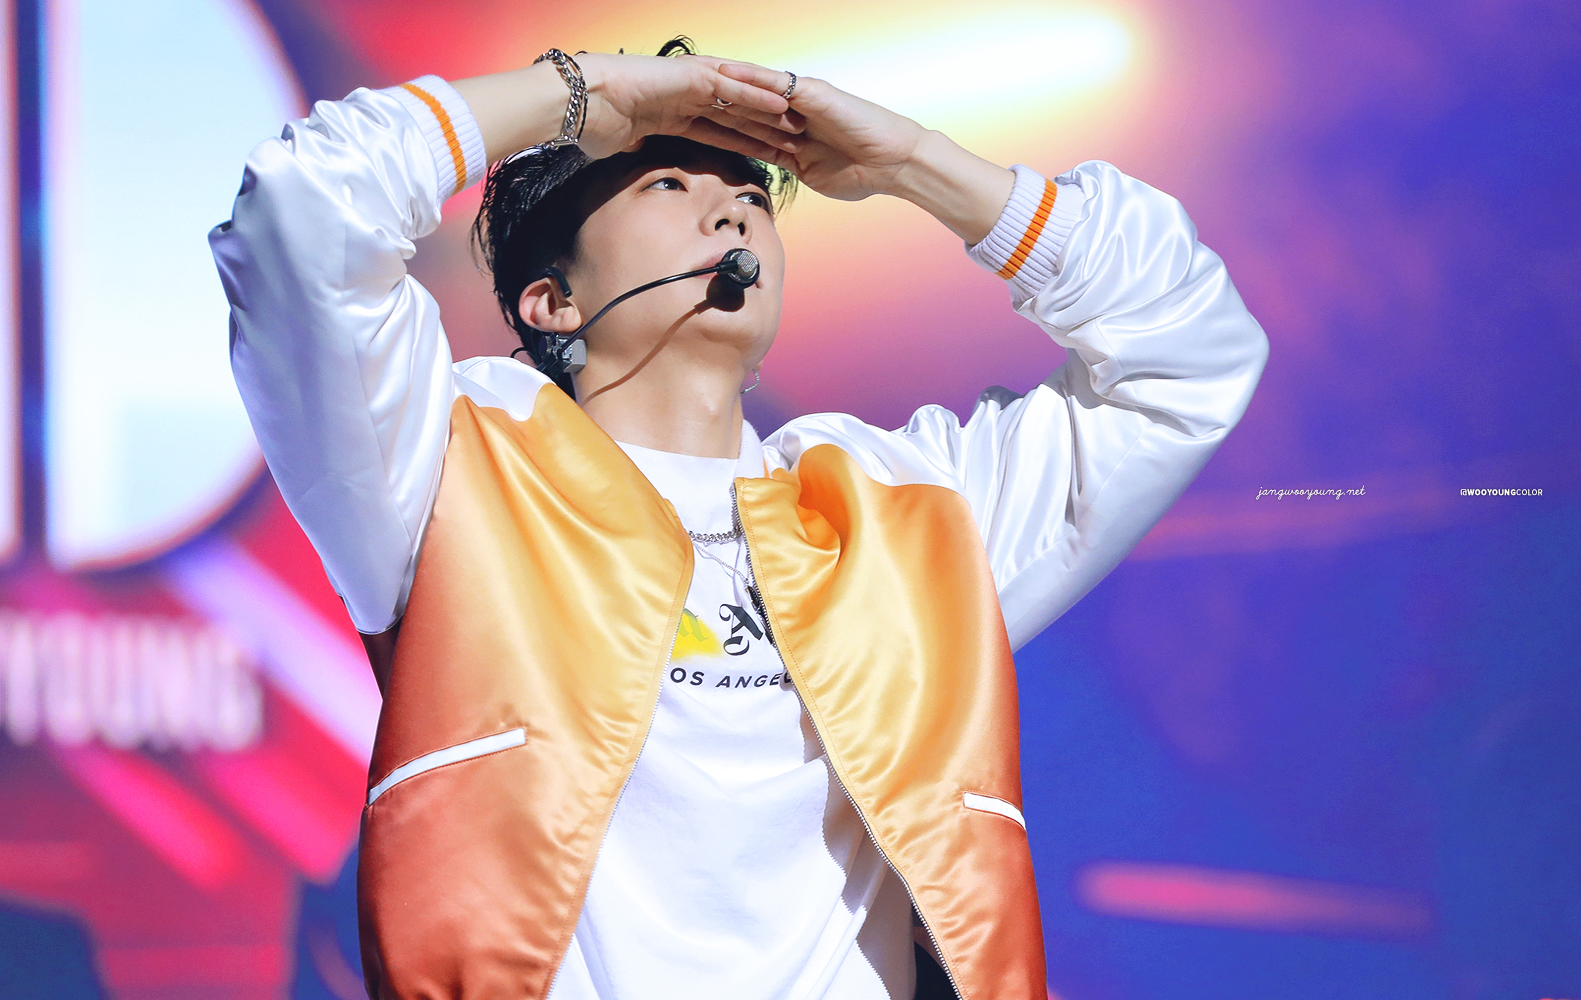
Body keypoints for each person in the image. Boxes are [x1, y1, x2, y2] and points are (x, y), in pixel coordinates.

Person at [210, 36, 1268, 1000]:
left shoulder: (900, 510)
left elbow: (1187, 352)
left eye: (751, 195)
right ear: (551, 301)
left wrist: (914, 164)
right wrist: (582, 94)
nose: (731, 212)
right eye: (669, 182)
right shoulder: (445, 468)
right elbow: (303, 208)